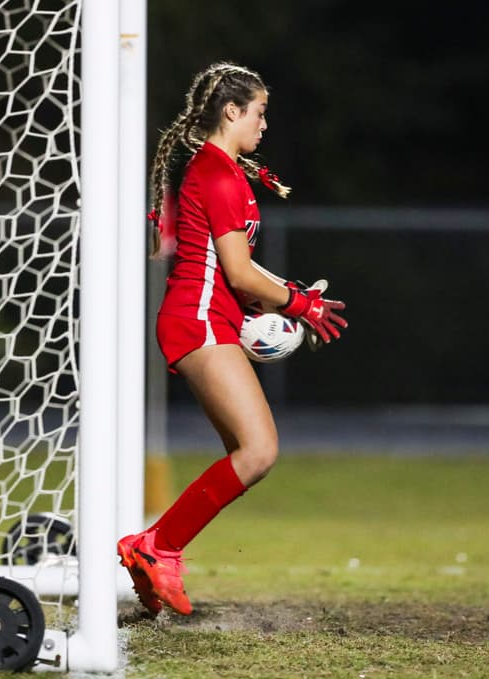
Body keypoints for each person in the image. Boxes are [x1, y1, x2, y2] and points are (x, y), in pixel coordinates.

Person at [117, 61, 347, 616]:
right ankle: (155, 548)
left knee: (246, 453)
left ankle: (156, 552)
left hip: (209, 318)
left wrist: (290, 297)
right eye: (260, 113)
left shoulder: (223, 172)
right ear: (232, 111)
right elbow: (239, 275)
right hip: (197, 320)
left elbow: (236, 274)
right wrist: (297, 303)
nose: (264, 126)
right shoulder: (219, 175)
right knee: (260, 450)